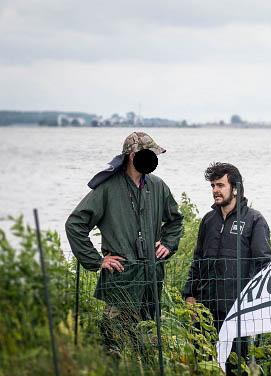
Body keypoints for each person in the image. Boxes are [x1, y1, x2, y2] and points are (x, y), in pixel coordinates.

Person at [65, 132, 184, 354]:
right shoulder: (108, 188)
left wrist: (168, 243)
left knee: (149, 345)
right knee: (113, 346)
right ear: (132, 155)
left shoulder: (158, 186)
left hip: (151, 279)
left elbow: (175, 220)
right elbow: (75, 224)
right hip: (121, 279)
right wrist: (97, 260)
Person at [182, 162, 271, 365]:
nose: (215, 190)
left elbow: (264, 265)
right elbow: (197, 260)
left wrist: (254, 304)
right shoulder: (208, 221)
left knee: (236, 368)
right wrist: (190, 295)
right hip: (205, 309)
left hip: (236, 310)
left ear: (235, 188)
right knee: (204, 363)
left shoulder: (254, 220)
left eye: (220, 185)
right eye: (213, 186)